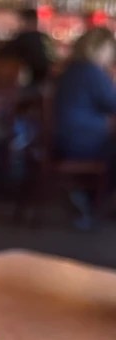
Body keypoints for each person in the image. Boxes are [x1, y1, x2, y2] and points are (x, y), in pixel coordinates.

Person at [54, 26, 116, 227]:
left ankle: (88, 200)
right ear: (99, 48)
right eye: (110, 48)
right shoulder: (92, 72)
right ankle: (91, 205)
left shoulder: (72, 69)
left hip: (65, 139)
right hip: (82, 142)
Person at [0, 8, 52, 87]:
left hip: (26, 85)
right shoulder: (44, 37)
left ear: (25, 21)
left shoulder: (23, 38)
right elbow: (53, 59)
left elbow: (2, 54)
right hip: (45, 85)